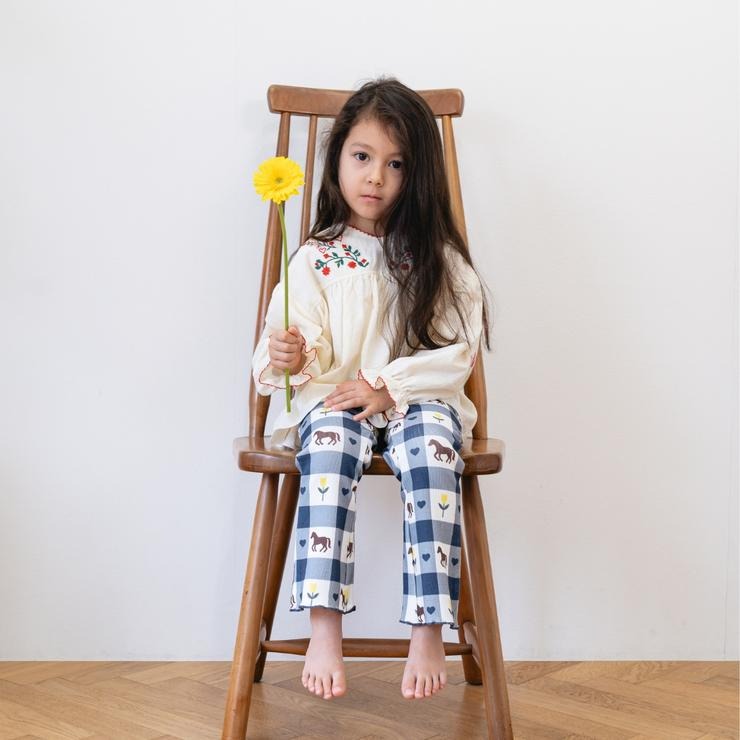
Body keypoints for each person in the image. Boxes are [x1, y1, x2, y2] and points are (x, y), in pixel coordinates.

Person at [252, 76, 491, 703]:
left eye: (396, 164)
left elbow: (459, 354)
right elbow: (289, 345)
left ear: (418, 176)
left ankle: (428, 628)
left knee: (433, 451)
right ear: (338, 159)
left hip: (417, 402)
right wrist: (290, 355)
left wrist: (390, 385)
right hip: (336, 402)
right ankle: (323, 626)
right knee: (329, 446)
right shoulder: (316, 257)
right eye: (362, 156)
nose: (376, 177)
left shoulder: (437, 257)